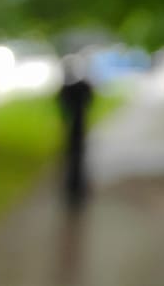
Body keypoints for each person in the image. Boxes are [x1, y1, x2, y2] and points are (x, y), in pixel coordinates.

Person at [57, 54, 94, 211]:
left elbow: (61, 103)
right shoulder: (82, 86)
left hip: (74, 126)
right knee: (77, 156)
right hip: (78, 125)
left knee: (73, 156)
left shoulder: (67, 88)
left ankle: (73, 188)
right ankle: (76, 187)